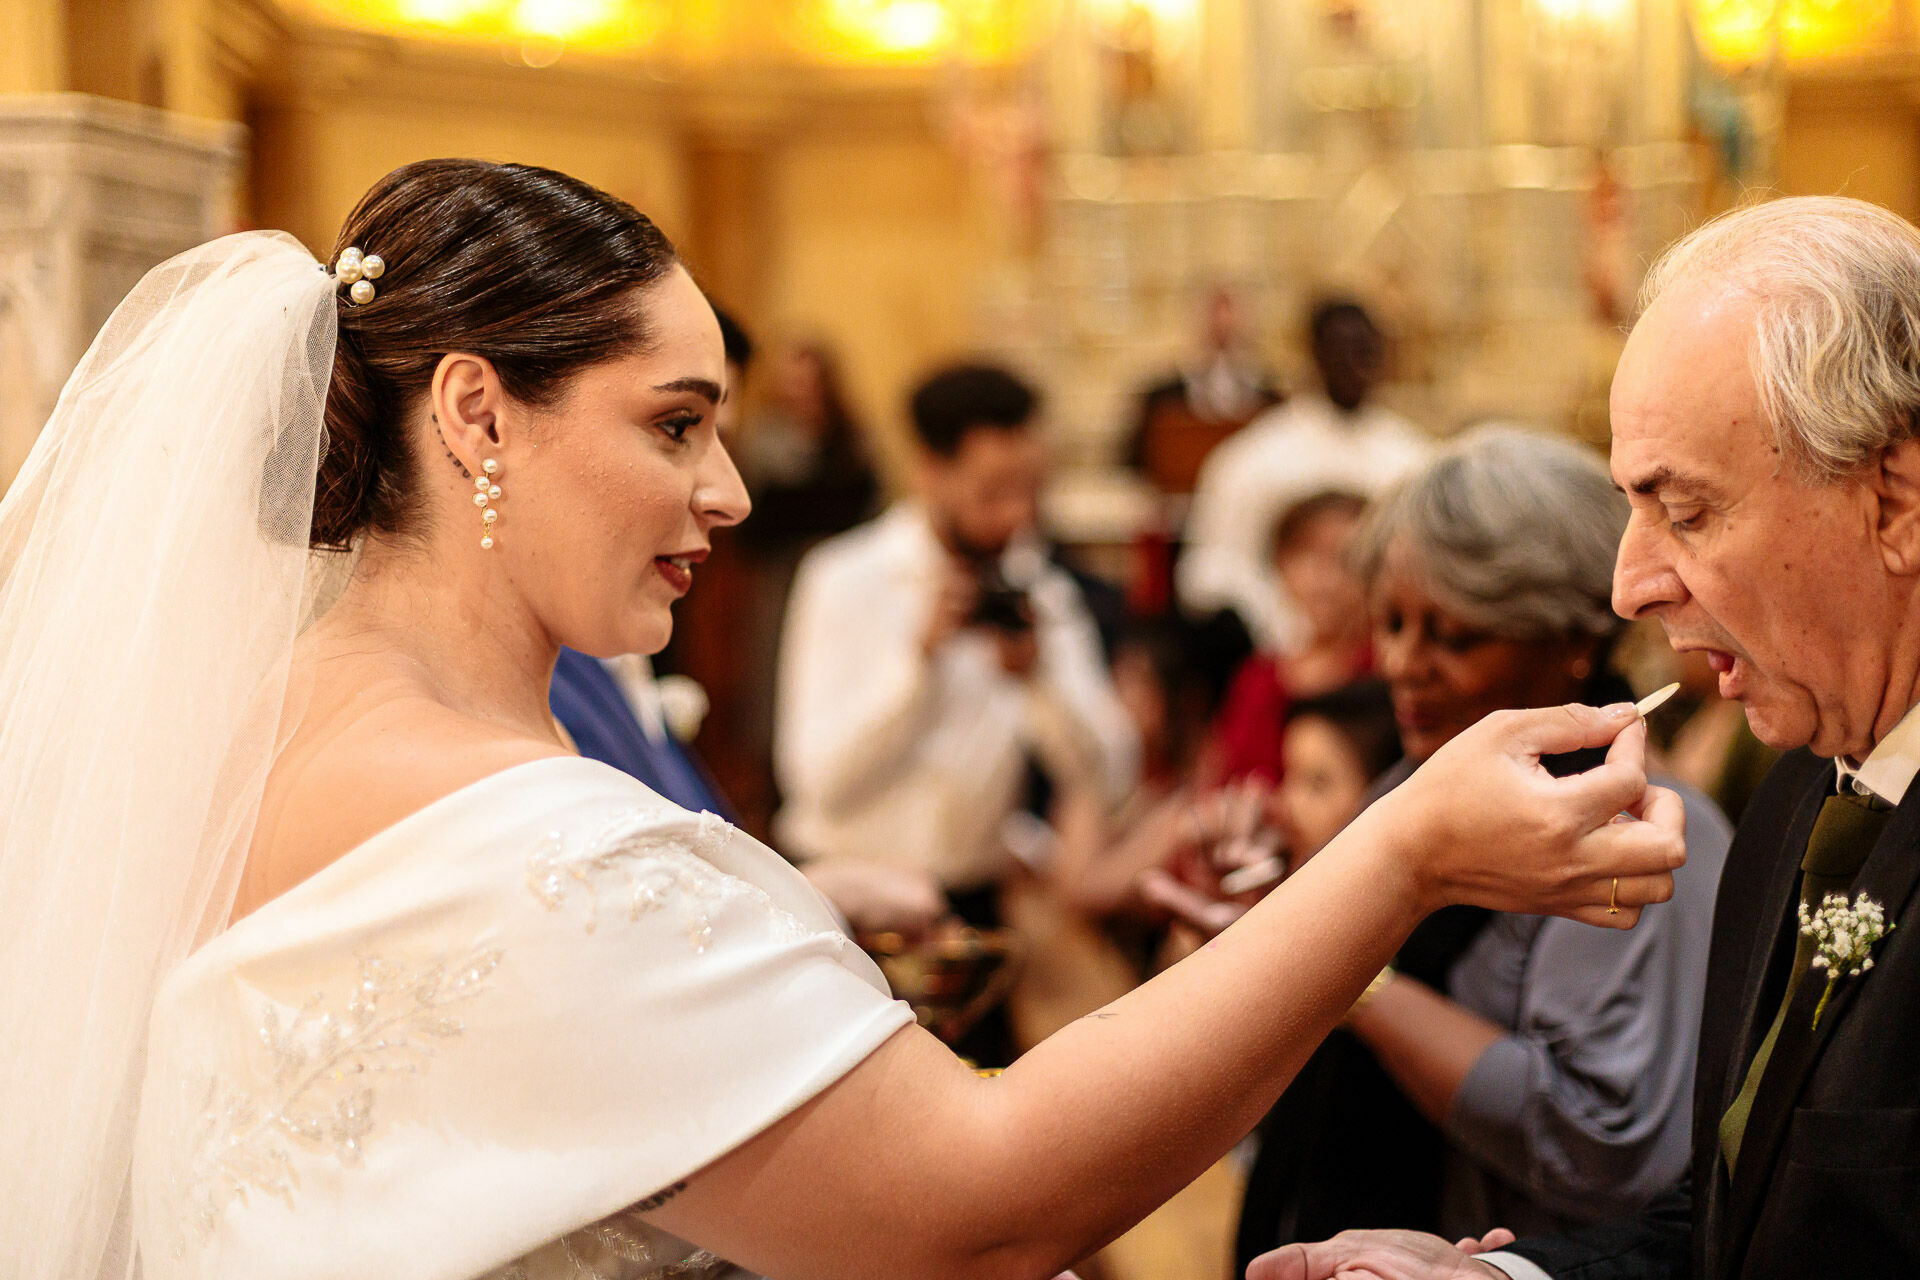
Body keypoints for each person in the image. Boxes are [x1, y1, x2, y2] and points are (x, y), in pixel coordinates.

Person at [0, 159, 1685, 1280]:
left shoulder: (240, 739)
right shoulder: (529, 846)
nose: (727, 491)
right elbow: (984, 1197)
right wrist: (1398, 857)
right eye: (673, 426)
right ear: (473, 415)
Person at [1253, 196, 1920, 1280]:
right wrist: (1502, 1275)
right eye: (1629, 507)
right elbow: (1727, 1213)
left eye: (1687, 510)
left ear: (1894, 498)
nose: (1628, 583)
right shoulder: (1802, 796)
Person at [549, 306, 945, 938]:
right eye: (678, 430)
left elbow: (657, 890)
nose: (733, 498)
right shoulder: (535, 684)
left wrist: (815, 891)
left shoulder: (595, 654)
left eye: (724, 441)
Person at [773, 362, 1140, 910]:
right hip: (845, 896)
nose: (1017, 516)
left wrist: (1040, 684)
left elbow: (1113, 777)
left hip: (972, 899)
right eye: (992, 492)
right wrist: (918, 664)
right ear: (930, 471)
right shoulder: (846, 577)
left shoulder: (1040, 590)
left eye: (1030, 489)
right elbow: (816, 783)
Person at [1177, 298, 1429, 654]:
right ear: (1314, 355)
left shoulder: (1411, 456)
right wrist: (1283, 628)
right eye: (1340, 350)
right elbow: (1211, 571)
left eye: (1364, 352)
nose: (1354, 366)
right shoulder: (1254, 457)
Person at [1203, 489, 1374, 786]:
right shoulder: (1257, 679)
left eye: (1344, 557)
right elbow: (1220, 779)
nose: (1324, 576)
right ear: (1282, 566)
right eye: (1308, 555)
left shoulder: (1385, 669)